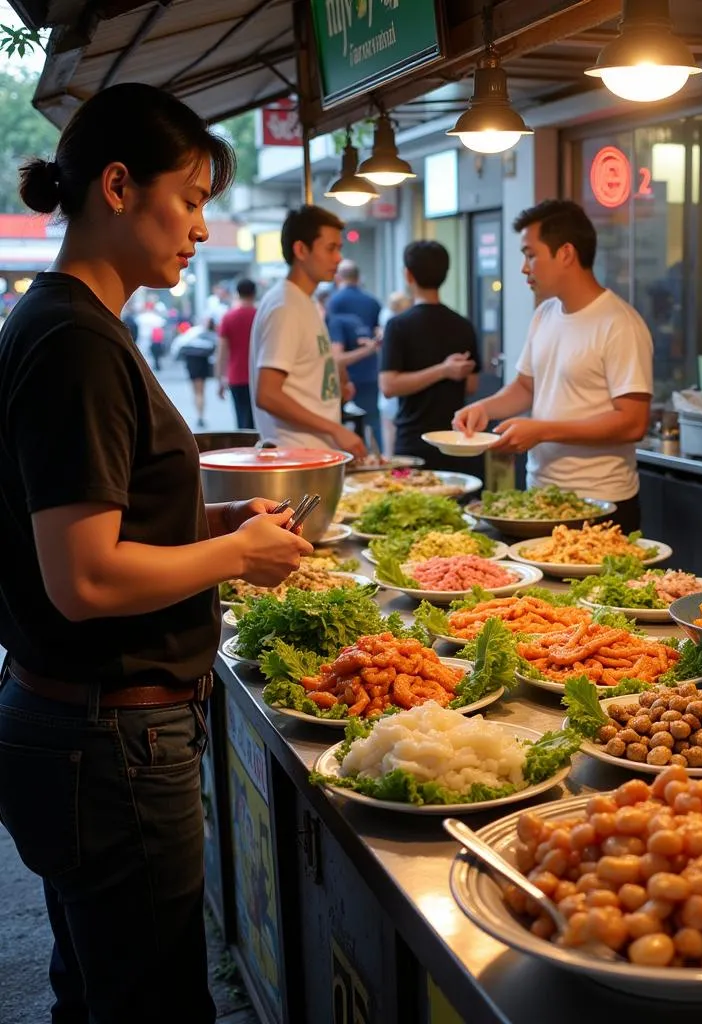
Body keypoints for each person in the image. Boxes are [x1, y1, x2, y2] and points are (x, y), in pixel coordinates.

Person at [0, 82, 312, 1024]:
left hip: (79, 729)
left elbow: (92, 532)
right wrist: (232, 558)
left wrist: (213, 531)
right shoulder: (75, 343)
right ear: (119, 186)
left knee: (97, 988)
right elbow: (85, 577)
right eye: (191, 200)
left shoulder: (66, 325)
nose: (203, 231)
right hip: (108, 740)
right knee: (151, 1004)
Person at [454, 200, 653, 532]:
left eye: (530, 254)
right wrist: (483, 408)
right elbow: (525, 387)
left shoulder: (620, 323)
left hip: (600, 505)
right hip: (541, 496)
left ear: (566, 253)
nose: (524, 267)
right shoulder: (545, 314)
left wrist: (542, 430)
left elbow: (633, 423)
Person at [250, 205, 366, 457]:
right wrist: (335, 429)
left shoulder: (306, 301)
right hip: (294, 457)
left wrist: (335, 388)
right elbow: (268, 394)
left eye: (339, 249)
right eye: (330, 248)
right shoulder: (286, 305)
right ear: (301, 250)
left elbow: (301, 379)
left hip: (312, 456)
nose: (338, 258)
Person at [379, 241, 480, 473]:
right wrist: (445, 372)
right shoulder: (463, 325)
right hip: (454, 440)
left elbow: (389, 385)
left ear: (408, 275)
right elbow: (472, 385)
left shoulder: (397, 325)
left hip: (413, 440)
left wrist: (443, 370)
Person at [325, 259, 382, 446]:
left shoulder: (334, 302)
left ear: (338, 277)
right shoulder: (372, 301)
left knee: (344, 426)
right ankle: (379, 464)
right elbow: (378, 335)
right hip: (369, 372)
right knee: (373, 424)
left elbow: (335, 351)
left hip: (345, 377)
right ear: (358, 278)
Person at [216, 277, 257, 429]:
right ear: (254, 293)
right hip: (258, 377)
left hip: (236, 376)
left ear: (238, 293)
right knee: (256, 422)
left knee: (241, 419)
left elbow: (222, 351)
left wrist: (220, 378)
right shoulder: (261, 316)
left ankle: (244, 449)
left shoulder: (228, 317)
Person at [377, 289, 412, 457]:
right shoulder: (397, 326)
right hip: (398, 386)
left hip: (393, 386)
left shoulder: (390, 325)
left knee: (389, 430)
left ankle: (389, 458)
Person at [174, 316, 218, 427]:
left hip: (193, 363)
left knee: (197, 392)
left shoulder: (193, 333)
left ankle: (200, 415)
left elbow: (179, 346)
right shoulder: (208, 335)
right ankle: (200, 415)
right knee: (200, 392)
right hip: (201, 363)